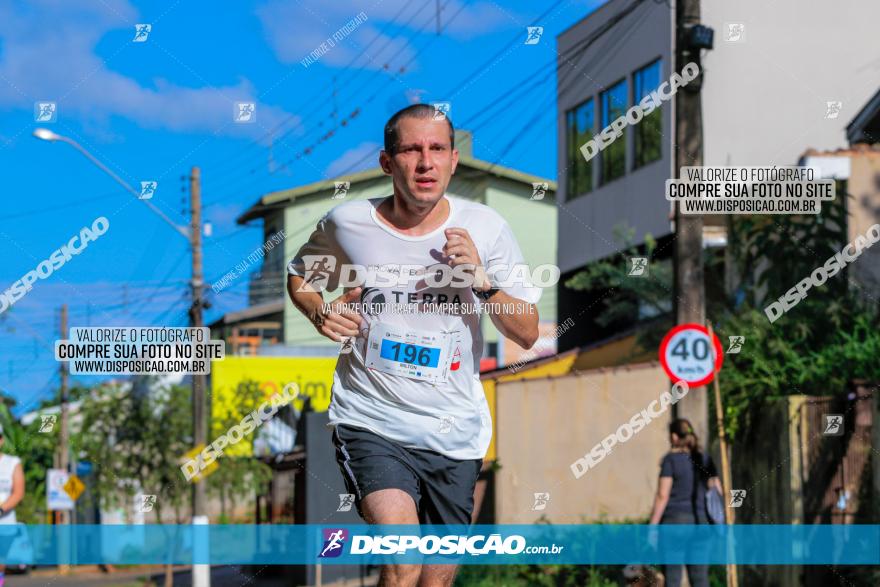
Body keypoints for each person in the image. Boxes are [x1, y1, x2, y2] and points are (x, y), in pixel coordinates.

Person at [287, 103, 541, 586]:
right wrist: (319, 311)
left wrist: (482, 282)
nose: (425, 162)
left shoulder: (486, 229)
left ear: (453, 161)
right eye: (411, 150)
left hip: (455, 430)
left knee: (435, 579)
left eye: (437, 149)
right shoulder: (349, 225)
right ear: (388, 162)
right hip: (372, 419)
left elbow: (526, 332)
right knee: (403, 564)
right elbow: (302, 277)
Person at [648, 418, 720, 587]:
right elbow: (717, 491)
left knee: (673, 578)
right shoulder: (705, 459)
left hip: (675, 524)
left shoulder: (670, 460)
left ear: (674, 437)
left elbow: (662, 495)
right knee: (700, 579)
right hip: (702, 525)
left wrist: (652, 527)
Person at [0, 424, 25, 586]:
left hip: (5, 522)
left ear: (1, 440)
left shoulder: (12, 463)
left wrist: (1, 509)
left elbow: (18, 492)